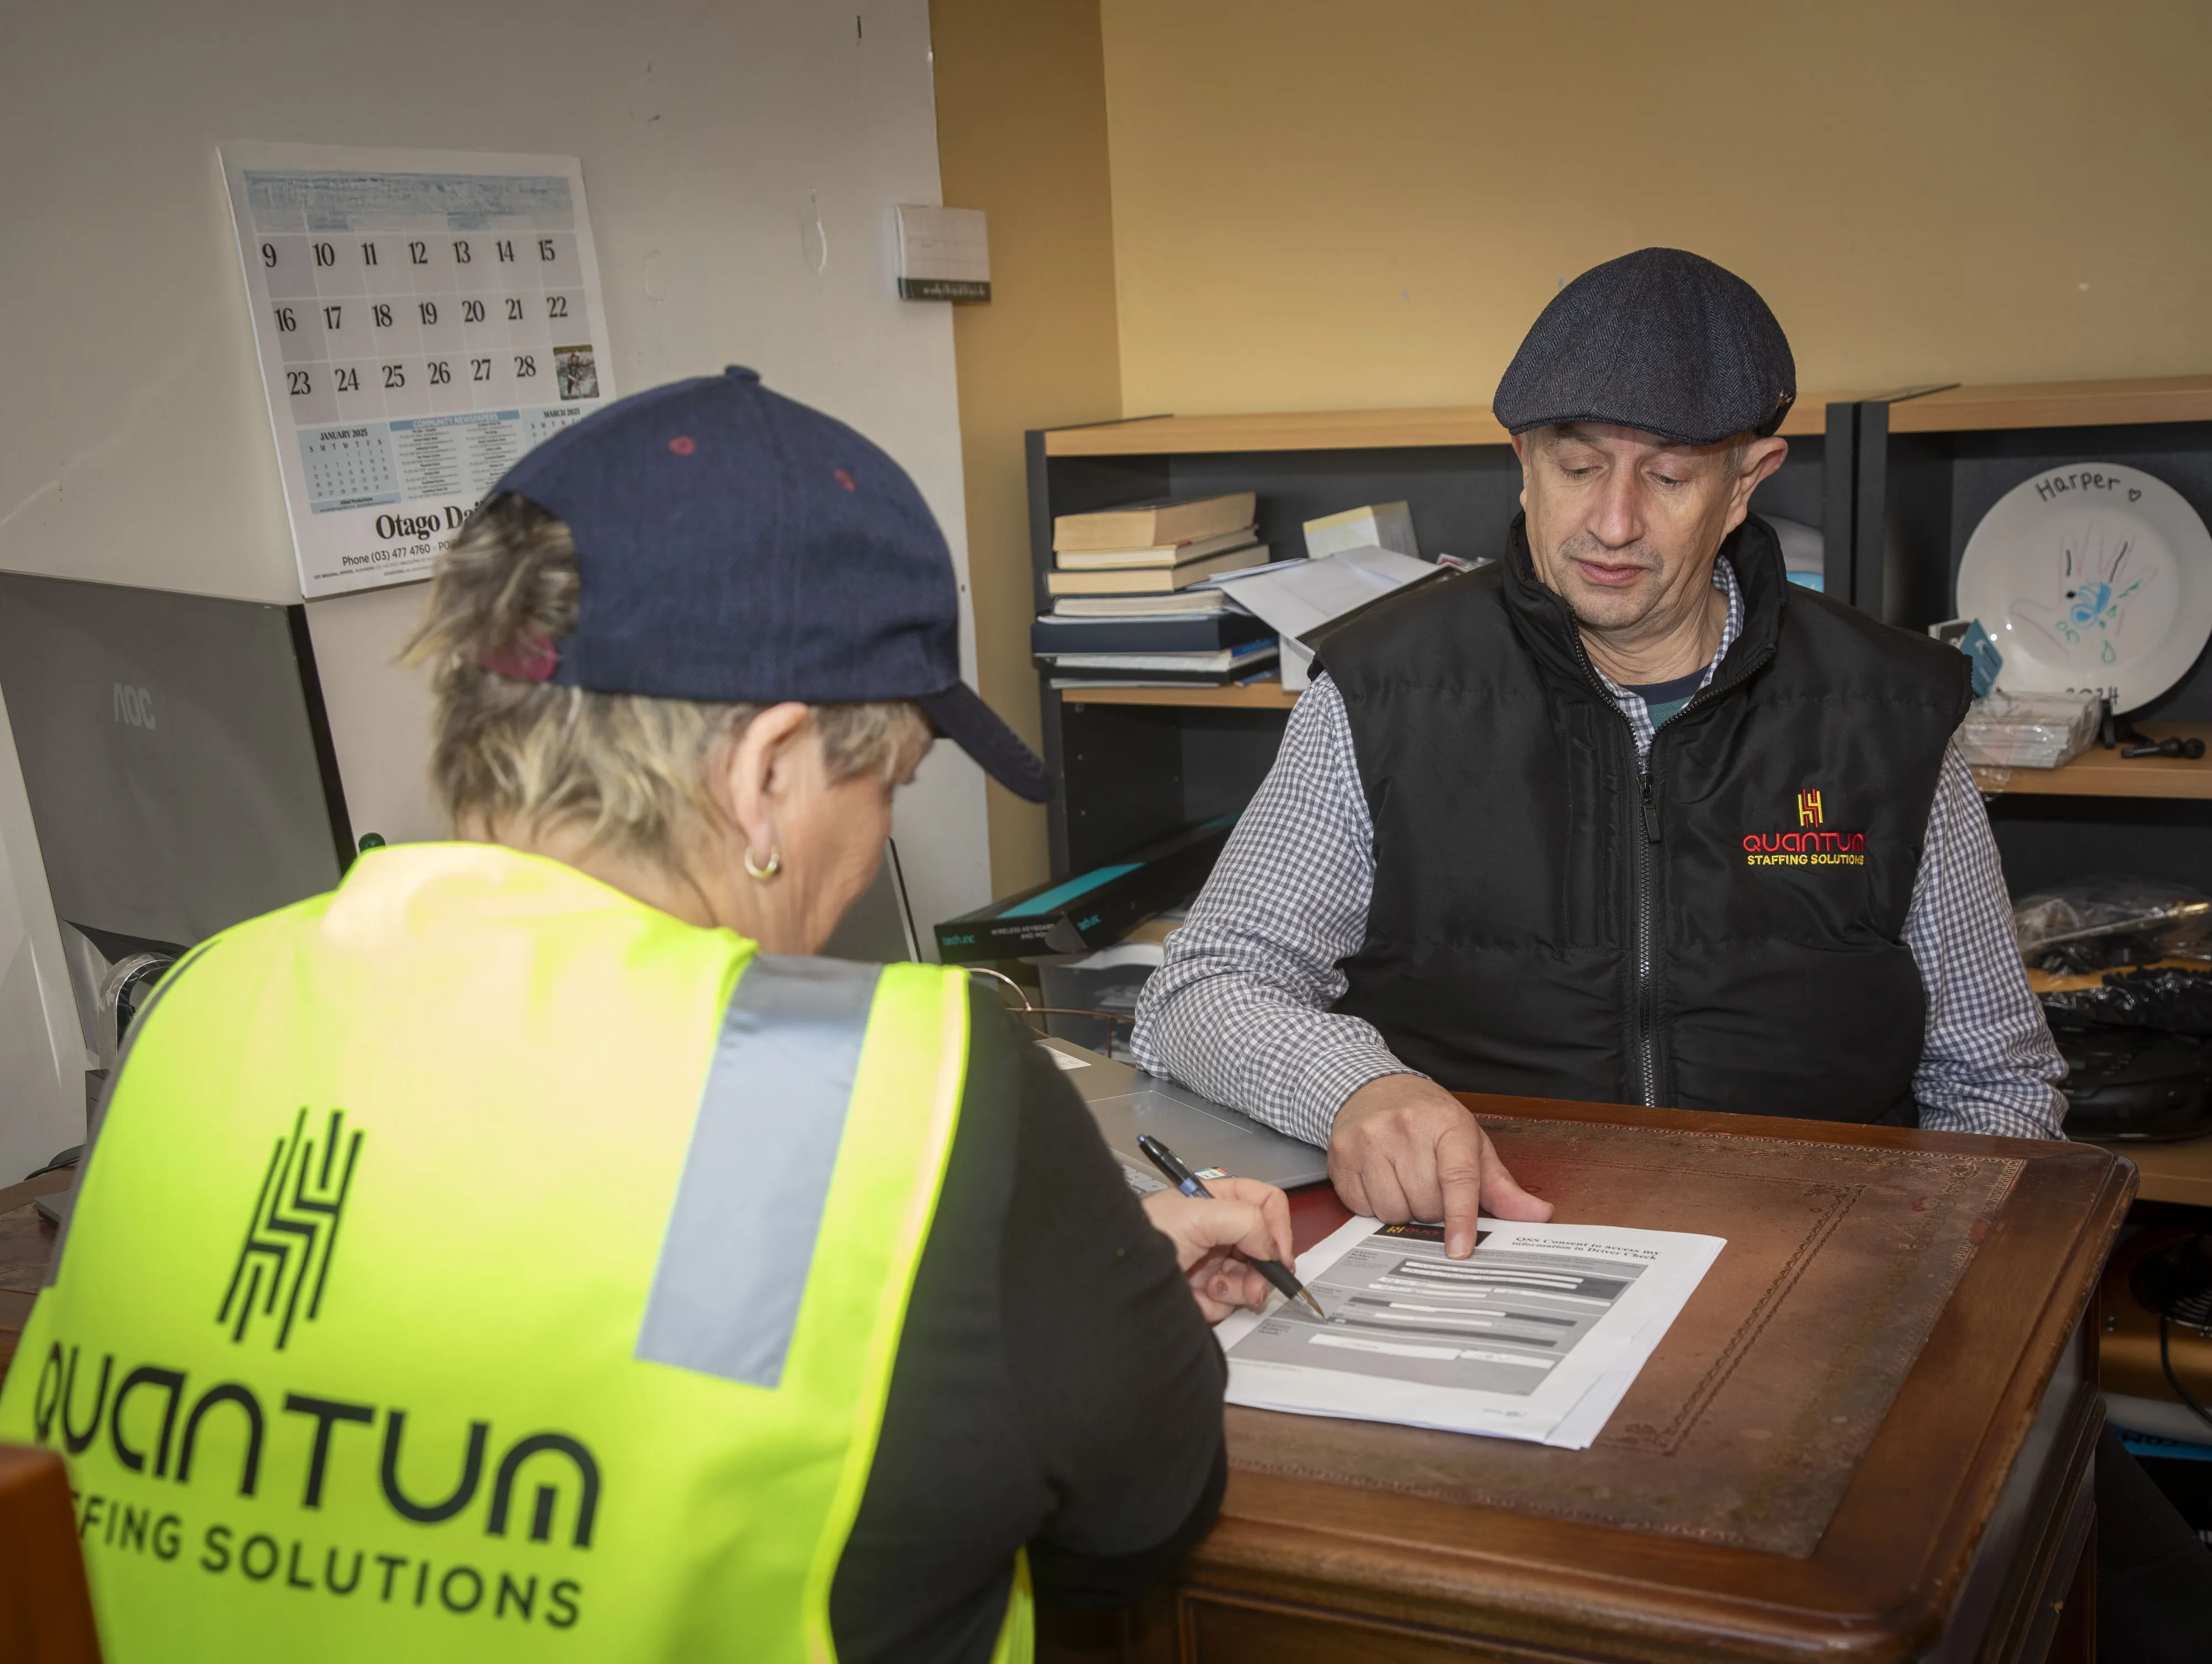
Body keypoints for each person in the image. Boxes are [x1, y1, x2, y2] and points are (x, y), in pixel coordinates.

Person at [0, 368, 1294, 1662]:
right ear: (762, 770)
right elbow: (1137, 1519)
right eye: (890, 783)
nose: (874, 846)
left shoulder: (190, 1008)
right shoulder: (915, 1078)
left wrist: (1043, 1271)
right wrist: (1083, 1298)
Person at [1134, 248, 2067, 1259]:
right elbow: (1204, 987)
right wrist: (1362, 1087)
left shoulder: (1889, 711)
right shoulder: (1381, 689)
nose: (1613, 524)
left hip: (1812, 1259)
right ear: (1524, 465)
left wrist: (1947, 1273)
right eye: (1578, 468)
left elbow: (1996, 1082)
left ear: (1748, 481)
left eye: (1667, 476)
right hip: (1481, 1253)